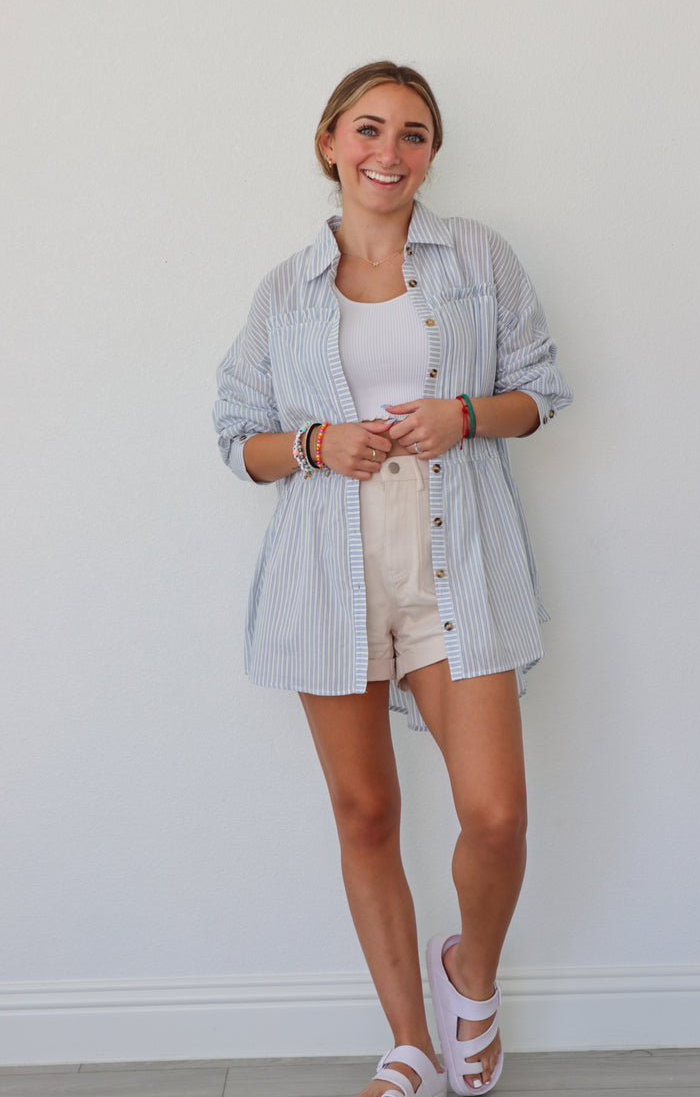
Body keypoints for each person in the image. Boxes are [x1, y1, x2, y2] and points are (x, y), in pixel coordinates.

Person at [214, 61, 572, 1097]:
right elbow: (239, 441)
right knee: (365, 815)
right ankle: (409, 1045)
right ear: (328, 142)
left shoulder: (475, 258)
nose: (389, 151)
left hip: (456, 565)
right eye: (367, 129)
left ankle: (471, 972)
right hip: (329, 574)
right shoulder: (283, 290)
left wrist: (460, 415)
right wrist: (318, 440)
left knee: (494, 816)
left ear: (430, 154)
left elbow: (540, 388)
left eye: (412, 134)